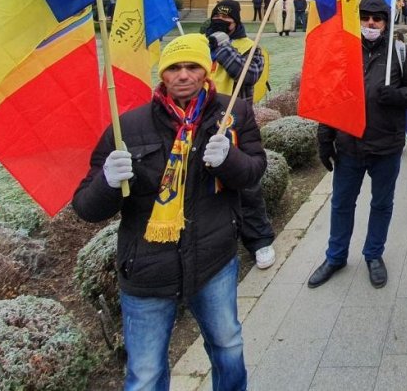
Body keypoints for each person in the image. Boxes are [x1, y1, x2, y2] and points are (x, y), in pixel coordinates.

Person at [73, 34, 265, 391]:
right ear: (162, 75)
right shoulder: (127, 127)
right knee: (145, 375)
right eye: (174, 68)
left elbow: (253, 172)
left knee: (228, 345)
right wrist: (107, 181)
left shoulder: (233, 113)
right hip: (146, 267)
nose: (183, 75)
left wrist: (230, 160)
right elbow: (86, 207)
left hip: (213, 259)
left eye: (192, 66)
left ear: (206, 71)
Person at [309, 0, 407, 290]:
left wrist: (397, 96)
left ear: (386, 22)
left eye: (377, 18)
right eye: (365, 18)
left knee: (382, 204)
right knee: (341, 204)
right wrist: (325, 139)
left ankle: (374, 254)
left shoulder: (400, 52)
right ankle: (335, 256)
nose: (371, 23)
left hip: (385, 146)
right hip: (348, 145)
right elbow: (331, 98)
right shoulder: (344, 52)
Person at [205, 0, 275, 269]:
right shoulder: (202, 44)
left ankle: (259, 241)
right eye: (217, 20)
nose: (221, 25)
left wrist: (224, 45)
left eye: (227, 21)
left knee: (247, 185)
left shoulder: (250, 47)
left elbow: (248, 75)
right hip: (203, 122)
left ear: (237, 22)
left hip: (238, 123)